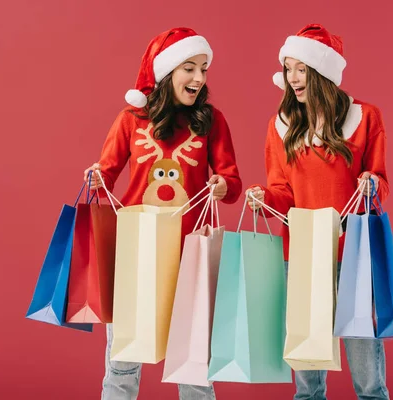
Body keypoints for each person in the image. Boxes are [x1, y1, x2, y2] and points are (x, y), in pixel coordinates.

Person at [83, 27, 242, 400]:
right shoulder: (130, 120)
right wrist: (96, 177)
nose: (199, 78)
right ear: (167, 72)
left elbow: (232, 182)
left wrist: (222, 186)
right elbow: (106, 172)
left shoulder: (211, 121)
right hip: (137, 253)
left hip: (191, 254)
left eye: (204, 68)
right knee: (122, 362)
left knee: (195, 367)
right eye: (190, 68)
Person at [246, 23, 391, 400]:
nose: (291, 78)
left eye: (300, 69)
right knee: (308, 383)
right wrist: (263, 196)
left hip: (352, 253)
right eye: (287, 68)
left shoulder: (366, 118)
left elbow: (381, 184)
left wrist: (371, 183)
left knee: (369, 377)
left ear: (321, 72)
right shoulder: (281, 127)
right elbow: (283, 193)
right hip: (302, 256)